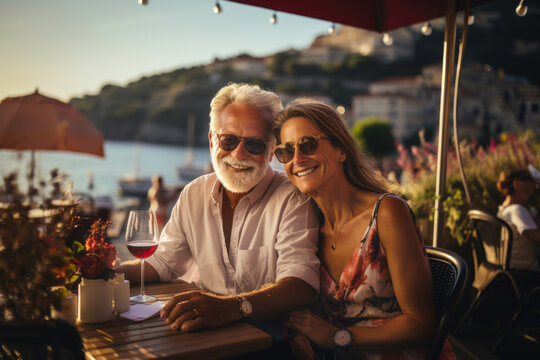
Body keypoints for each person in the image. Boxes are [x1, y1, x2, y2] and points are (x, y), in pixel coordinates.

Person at [117, 83, 320, 335]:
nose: (238, 153)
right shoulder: (193, 193)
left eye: (254, 144)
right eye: (229, 140)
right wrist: (105, 271)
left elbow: (300, 283)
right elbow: (163, 263)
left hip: (267, 340)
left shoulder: (292, 198)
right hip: (203, 332)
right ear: (213, 142)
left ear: (271, 151)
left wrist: (232, 308)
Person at [272, 99, 454, 359]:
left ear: (341, 150)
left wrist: (335, 337)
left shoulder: (387, 213)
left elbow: (421, 325)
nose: (297, 159)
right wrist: (302, 328)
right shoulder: (306, 225)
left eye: (308, 145)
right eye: (286, 152)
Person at [496, 169, 540, 270]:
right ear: (516, 184)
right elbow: (537, 238)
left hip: (512, 267)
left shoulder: (504, 208)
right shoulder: (517, 211)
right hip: (524, 270)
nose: (534, 186)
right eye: (530, 180)